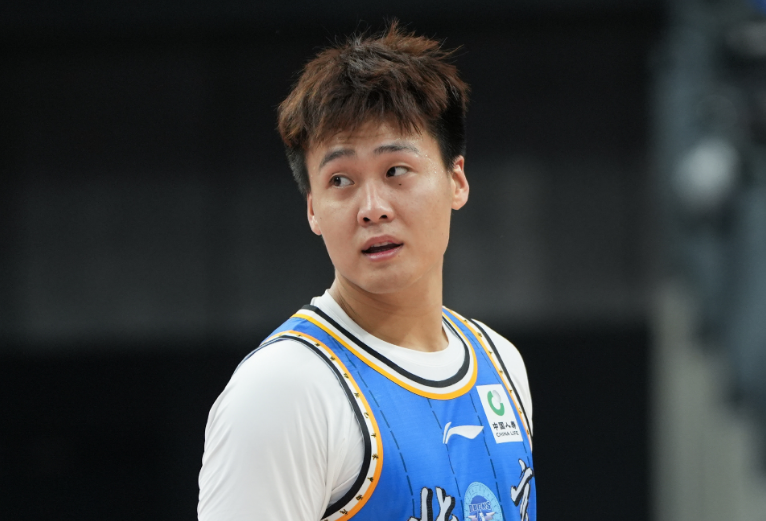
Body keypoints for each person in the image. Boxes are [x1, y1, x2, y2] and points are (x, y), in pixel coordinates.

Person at [198, 23, 536, 521]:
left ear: (456, 180)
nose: (372, 208)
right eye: (341, 180)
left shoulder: (501, 363)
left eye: (396, 170)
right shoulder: (282, 391)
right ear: (313, 209)